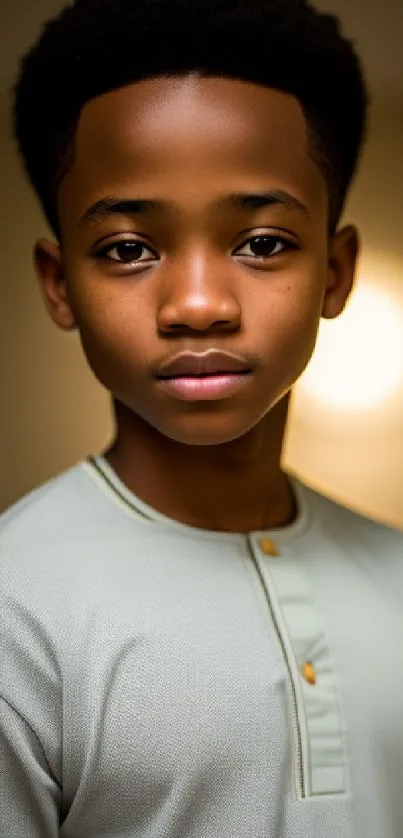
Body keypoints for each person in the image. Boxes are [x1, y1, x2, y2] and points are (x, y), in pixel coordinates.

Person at [1, 0, 402, 834]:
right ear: (58, 283)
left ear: (334, 272)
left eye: (260, 242)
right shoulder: (16, 611)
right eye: (126, 249)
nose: (196, 305)